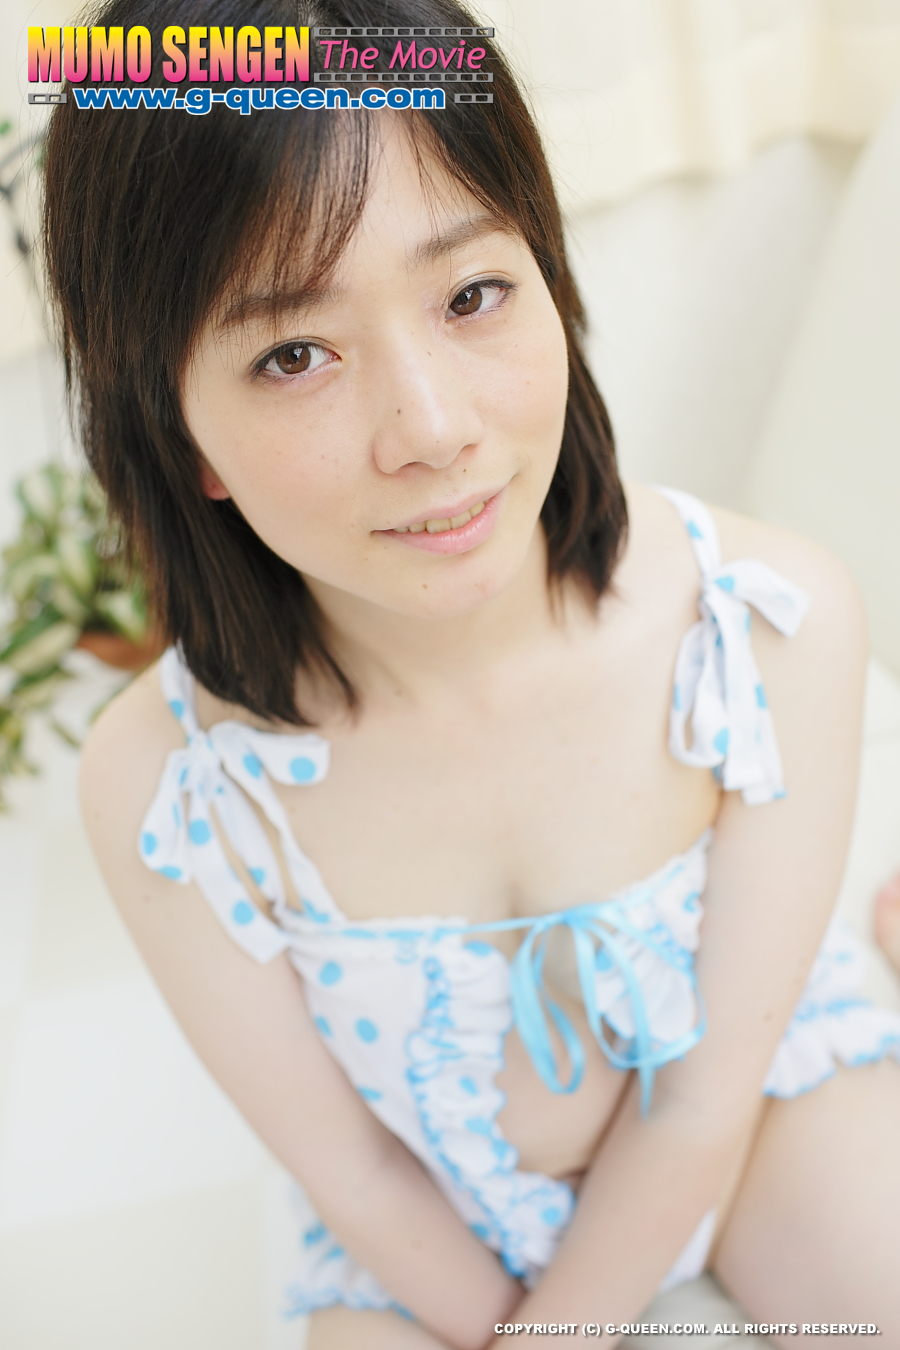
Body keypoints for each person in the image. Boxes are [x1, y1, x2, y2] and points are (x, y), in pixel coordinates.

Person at [44, 1, 900, 1346]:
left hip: (755, 1107)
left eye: (470, 295)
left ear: (548, 275)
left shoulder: (764, 626)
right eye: (294, 355)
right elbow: (360, 1177)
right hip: (423, 1213)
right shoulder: (169, 791)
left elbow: (701, 1100)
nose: (432, 430)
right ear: (180, 430)